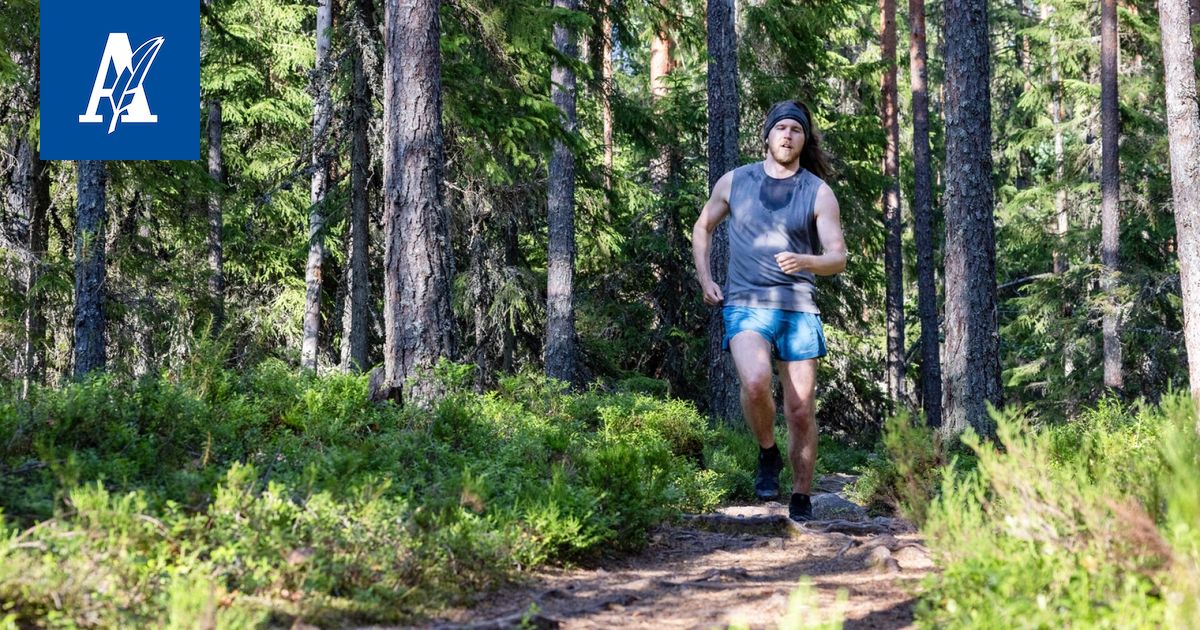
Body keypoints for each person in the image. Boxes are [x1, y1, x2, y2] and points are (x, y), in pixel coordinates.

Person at [691, 100, 847, 522]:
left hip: (798, 309)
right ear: (767, 135)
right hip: (745, 303)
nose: (787, 135)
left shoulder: (817, 191)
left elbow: (837, 257)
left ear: (804, 139)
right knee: (756, 382)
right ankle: (767, 453)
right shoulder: (735, 182)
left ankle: (801, 496)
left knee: (800, 407)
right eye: (781, 128)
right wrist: (706, 278)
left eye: (796, 130)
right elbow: (703, 227)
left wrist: (807, 261)